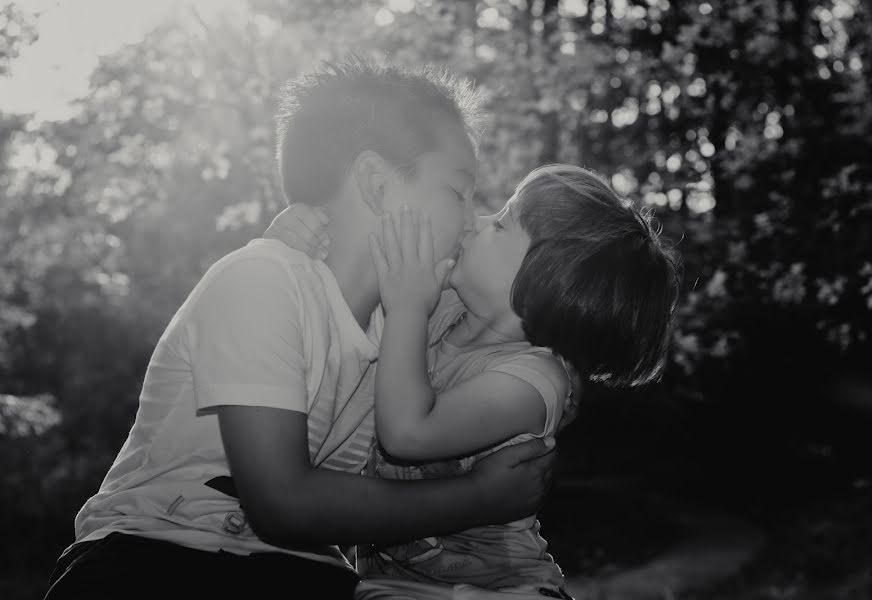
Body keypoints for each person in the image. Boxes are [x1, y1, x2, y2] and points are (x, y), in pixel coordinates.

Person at [44, 58, 556, 600]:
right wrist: (478, 497)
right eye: (458, 192)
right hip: (159, 554)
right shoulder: (263, 280)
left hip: (302, 571)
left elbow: (519, 309)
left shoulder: (409, 324)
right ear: (378, 186)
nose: (473, 220)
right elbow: (281, 503)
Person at [277, 164, 680, 599]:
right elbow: (343, 312)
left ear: (544, 277)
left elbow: (407, 433)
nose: (477, 221)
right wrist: (298, 240)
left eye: (502, 223)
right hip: (395, 583)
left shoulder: (534, 381)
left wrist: (408, 308)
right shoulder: (443, 309)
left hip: (502, 590)